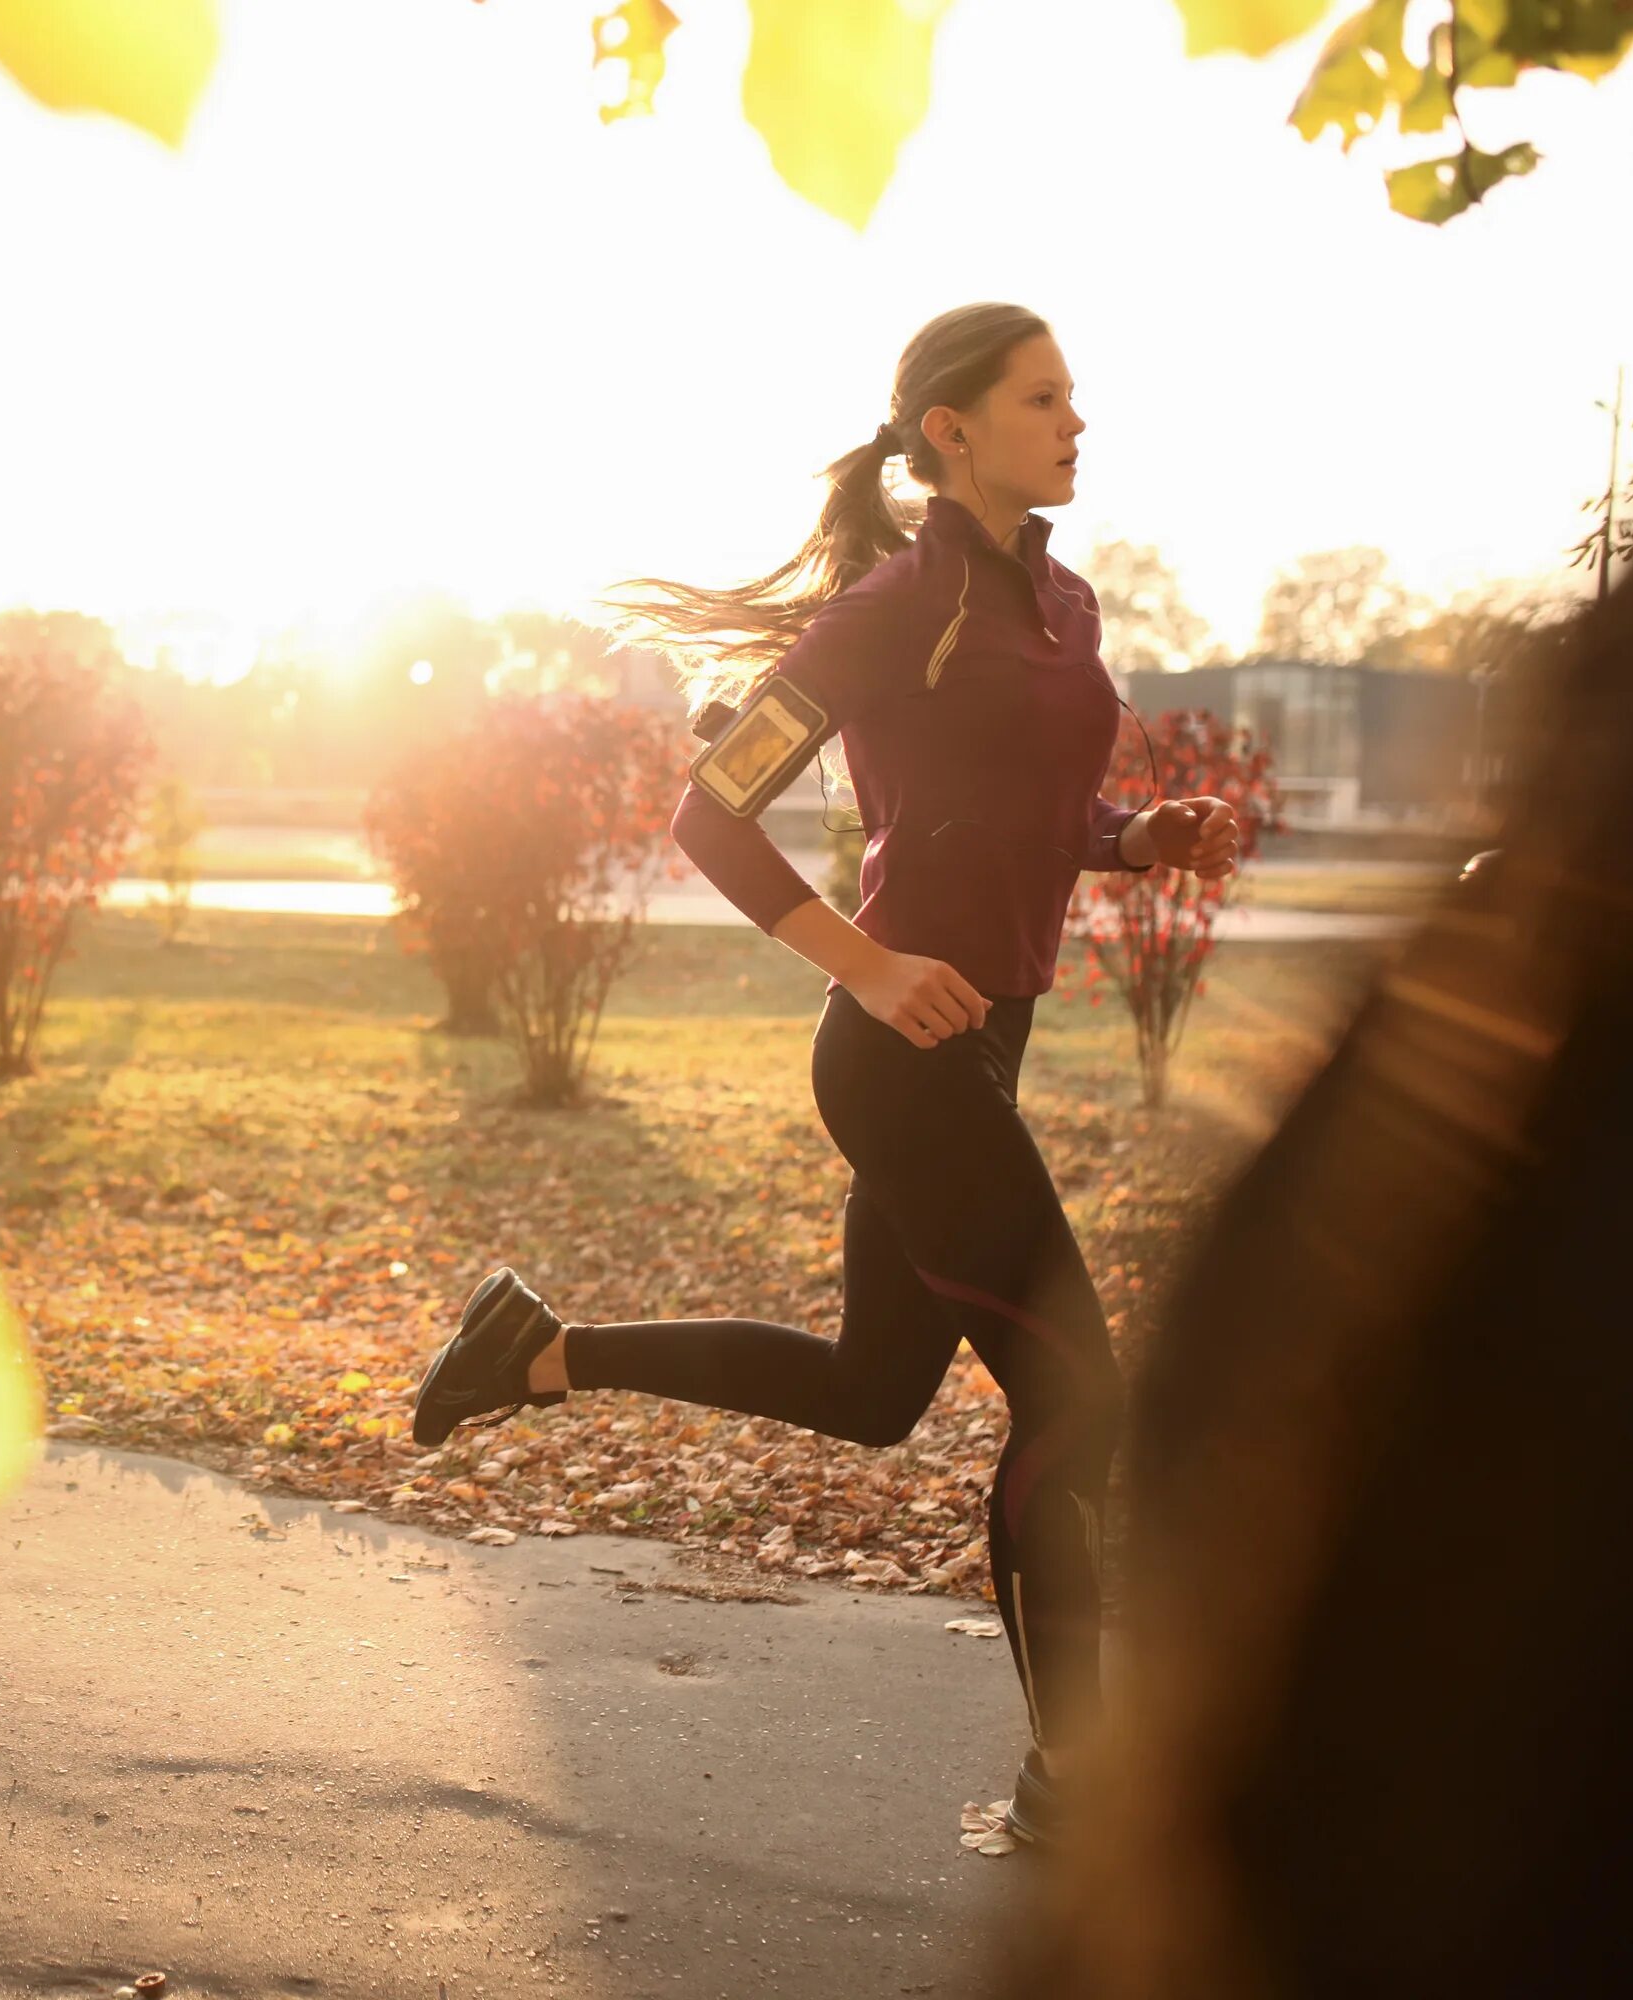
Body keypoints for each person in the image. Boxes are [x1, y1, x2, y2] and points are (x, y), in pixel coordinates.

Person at [407, 302, 1242, 1845]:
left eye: (1074, 396)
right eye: (1044, 398)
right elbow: (708, 811)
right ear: (950, 430)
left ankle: (536, 1353)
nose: (1075, 422)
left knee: (873, 1392)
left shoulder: (1064, 602)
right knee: (1080, 1399)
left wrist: (1137, 837)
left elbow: (1026, 806)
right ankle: (1076, 1786)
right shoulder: (894, 604)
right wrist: (862, 962)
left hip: (985, 1040)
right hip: (898, 1052)